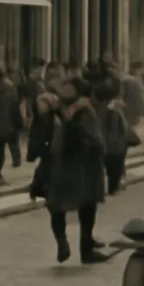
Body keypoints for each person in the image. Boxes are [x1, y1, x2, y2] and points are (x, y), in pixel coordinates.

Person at [45, 77, 107, 265]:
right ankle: (86, 249)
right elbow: (96, 142)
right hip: (82, 167)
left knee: (56, 206)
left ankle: (62, 242)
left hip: (58, 165)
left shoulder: (54, 110)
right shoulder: (85, 112)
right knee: (87, 208)